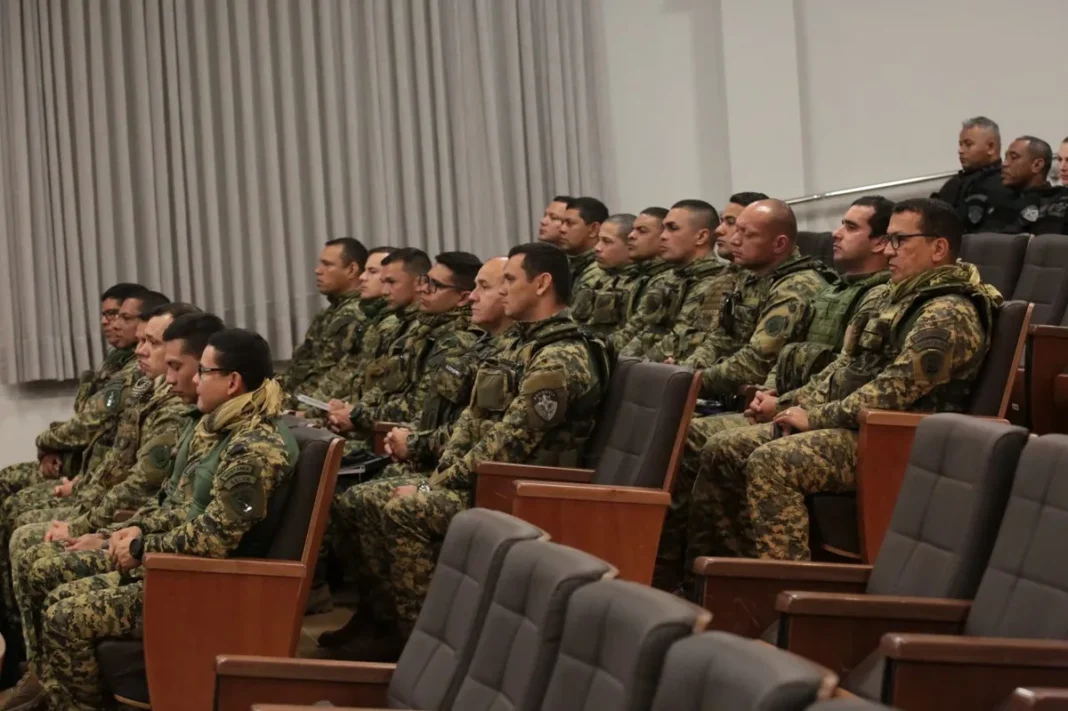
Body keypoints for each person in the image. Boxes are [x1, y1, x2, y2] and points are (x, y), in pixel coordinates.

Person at [328, 242, 608, 659]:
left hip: (527, 491)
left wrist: (429, 489)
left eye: (510, 280)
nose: (502, 290)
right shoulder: (516, 345)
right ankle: (388, 626)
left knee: (404, 509)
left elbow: (510, 443)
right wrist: (433, 476)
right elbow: (470, 425)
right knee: (356, 500)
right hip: (487, 482)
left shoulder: (562, 355)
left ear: (543, 283)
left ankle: (434, 650)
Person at [685, 198, 999, 570]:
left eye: (899, 240)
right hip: (856, 425)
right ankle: (729, 577)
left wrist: (814, 417)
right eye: (887, 239)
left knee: (774, 460)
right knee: (723, 447)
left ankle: (788, 587)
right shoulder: (887, 296)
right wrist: (789, 403)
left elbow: (892, 392)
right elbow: (843, 369)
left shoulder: (948, 310)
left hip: (901, 438)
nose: (888, 249)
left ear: (938, 248)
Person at [18, 329, 299, 710]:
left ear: (233, 382)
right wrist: (133, 529)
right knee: (58, 594)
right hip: (181, 570)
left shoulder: (254, 447)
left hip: (207, 585)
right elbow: (179, 505)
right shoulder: (223, 432)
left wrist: (141, 546)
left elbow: (215, 538)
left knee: (64, 615)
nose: (195, 380)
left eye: (204, 371)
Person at [654, 196, 893, 589]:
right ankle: (699, 576)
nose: (728, 237)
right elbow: (795, 359)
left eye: (850, 227)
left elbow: (853, 377)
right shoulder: (835, 291)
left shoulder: (849, 293)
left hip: (848, 422)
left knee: (704, 439)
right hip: (794, 402)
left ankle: (738, 584)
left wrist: (785, 404)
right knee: (689, 434)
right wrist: (773, 395)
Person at [2, 308, 218, 675]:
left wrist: (102, 535)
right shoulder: (152, 393)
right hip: (136, 530)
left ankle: (42, 672)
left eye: (152, 342)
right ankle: (33, 662)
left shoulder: (192, 417)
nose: (141, 350)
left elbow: (151, 489)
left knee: (36, 556)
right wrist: (101, 527)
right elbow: (123, 467)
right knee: (24, 530)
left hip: (177, 564)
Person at [0, 290, 170, 505]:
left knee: (18, 507)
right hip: (92, 469)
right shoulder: (115, 363)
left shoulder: (137, 374)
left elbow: (89, 423)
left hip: (101, 478)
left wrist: (44, 443)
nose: (112, 324)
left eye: (121, 317)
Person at [325, 252, 482, 451]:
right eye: (426, 281)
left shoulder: (458, 340)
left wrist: (357, 416)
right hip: (399, 438)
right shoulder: (424, 330)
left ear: (462, 298)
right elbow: (388, 387)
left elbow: (421, 407)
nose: (424, 289)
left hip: (422, 451)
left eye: (435, 285)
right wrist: (354, 411)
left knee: (328, 458)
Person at [379, 257, 514, 478]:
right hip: (433, 463)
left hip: (458, 477)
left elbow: (479, 436)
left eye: (435, 284)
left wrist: (412, 444)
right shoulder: (480, 346)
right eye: (425, 281)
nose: (473, 296)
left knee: (355, 493)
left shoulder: (462, 341)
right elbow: (432, 408)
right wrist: (404, 436)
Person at [322, 248, 429, 438]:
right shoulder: (400, 325)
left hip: (390, 436)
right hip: (370, 426)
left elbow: (418, 403)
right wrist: (348, 408)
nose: (385, 289)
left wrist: (355, 414)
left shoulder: (423, 332)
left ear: (419, 283)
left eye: (391, 282)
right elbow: (375, 384)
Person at [618, 199, 730, 361]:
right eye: (664, 229)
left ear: (701, 236)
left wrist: (631, 368)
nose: (663, 236)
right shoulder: (667, 279)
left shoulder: (715, 282)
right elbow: (641, 330)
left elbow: (680, 339)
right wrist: (617, 361)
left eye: (672, 228)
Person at [300, 246, 397, 412]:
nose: (362, 278)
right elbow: (344, 373)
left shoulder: (389, 325)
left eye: (372, 272)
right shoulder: (372, 320)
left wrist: (312, 414)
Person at [280, 238, 368, 407]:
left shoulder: (354, 313)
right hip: (302, 399)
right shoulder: (328, 313)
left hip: (321, 407)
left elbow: (329, 374)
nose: (317, 270)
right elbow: (301, 366)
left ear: (352, 269)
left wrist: (291, 407)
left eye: (327, 265)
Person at [931, 116, 1014, 231]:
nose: (960, 150)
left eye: (968, 144)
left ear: (990, 147)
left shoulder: (1004, 182)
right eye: (960, 144)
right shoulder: (954, 183)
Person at [610, 207, 671, 351]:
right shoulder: (640, 275)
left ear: (663, 236)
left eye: (642, 231)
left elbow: (634, 332)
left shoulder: (666, 280)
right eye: (633, 230)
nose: (631, 236)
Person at [572, 213, 637, 339]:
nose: (597, 248)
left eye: (607, 242)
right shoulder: (593, 272)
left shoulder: (643, 281)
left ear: (630, 245)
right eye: (599, 240)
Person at [990, 136, 1068, 235]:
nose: (1062, 167)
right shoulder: (999, 198)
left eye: (1013, 158)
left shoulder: (1055, 201)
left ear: (1037, 165)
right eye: (1060, 160)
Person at [557, 196, 610, 295]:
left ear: (593, 229)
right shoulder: (567, 264)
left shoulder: (603, 268)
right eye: (562, 223)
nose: (562, 229)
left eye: (570, 223)